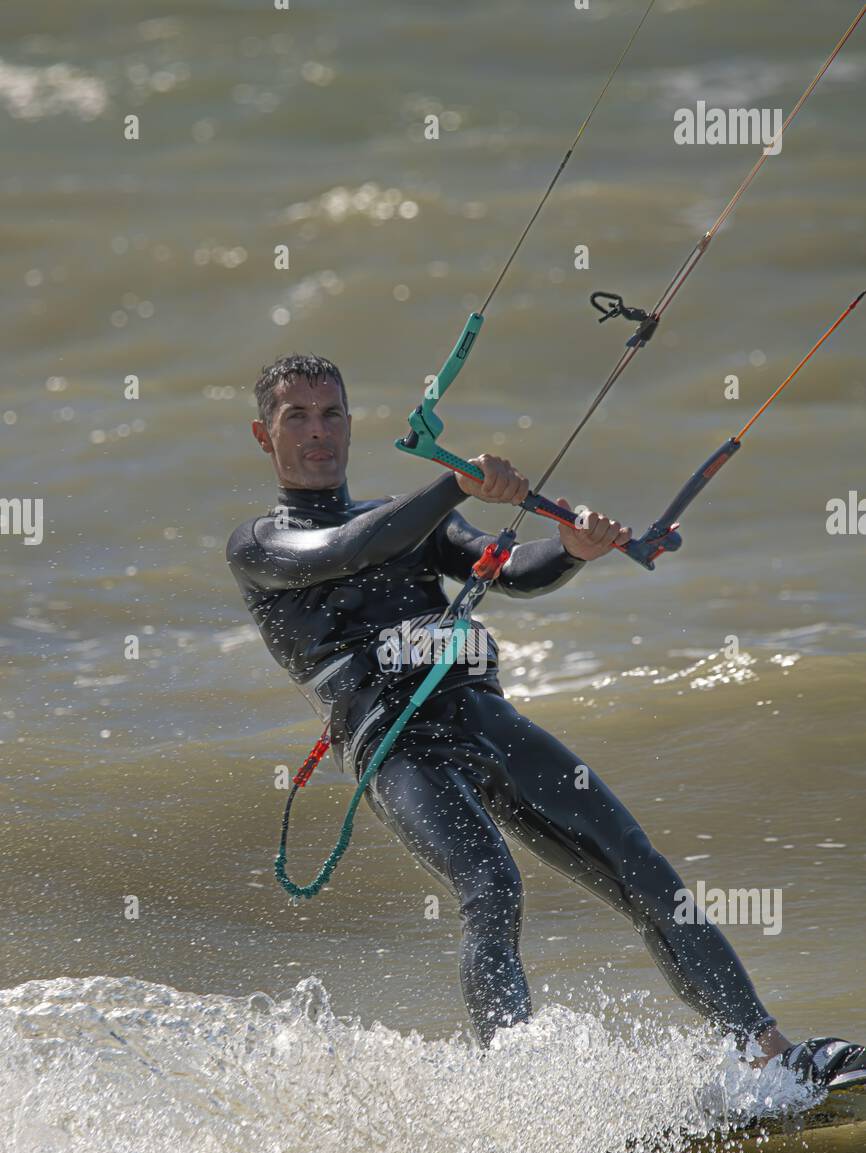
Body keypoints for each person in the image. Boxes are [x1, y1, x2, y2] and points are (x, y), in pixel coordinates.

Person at [226, 352, 865, 1094]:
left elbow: (506, 568)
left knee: (641, 865)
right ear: (262, 435)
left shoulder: (407, 519)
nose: (318, 432)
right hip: (398, 748)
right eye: (295, 417)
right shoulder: (259, 547)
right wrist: (453, 483)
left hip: (484, 717)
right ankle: (523, 1091)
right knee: (491, 886)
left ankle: (772, 1053)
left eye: (331, 413)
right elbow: (345, 551)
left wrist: (570, 549)